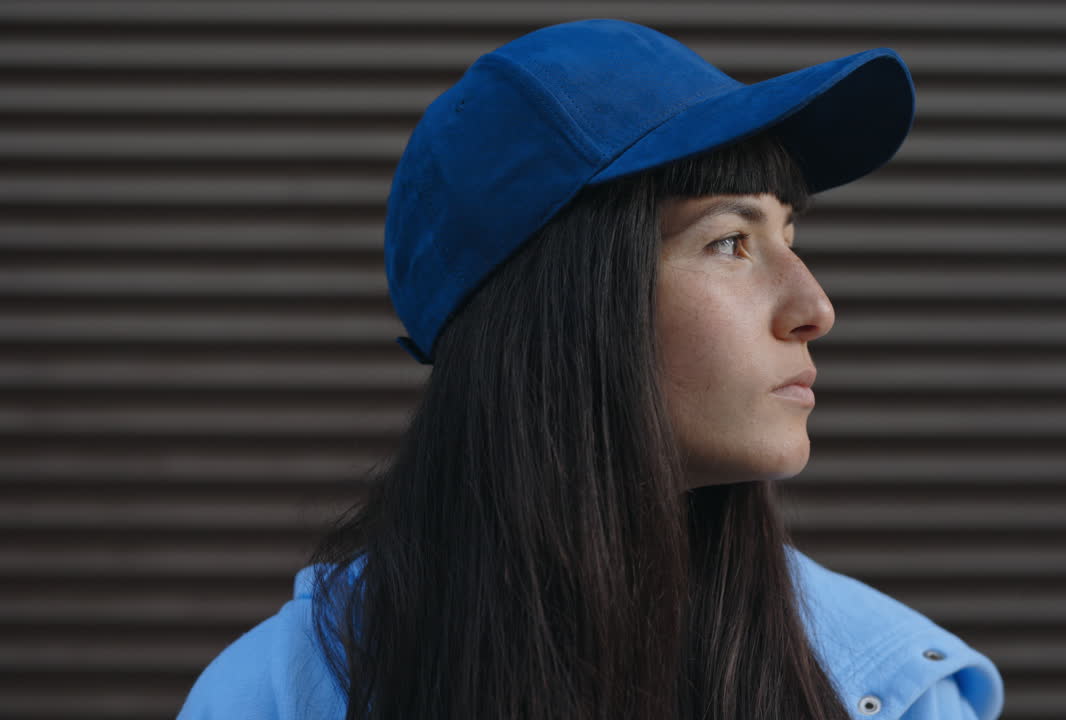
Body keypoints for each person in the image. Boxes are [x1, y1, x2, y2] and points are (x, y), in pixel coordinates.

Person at [177, 18, 1004, 720]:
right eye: (729, 241)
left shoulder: (897, 690)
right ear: (559, 310)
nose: (814, 307)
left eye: (790, 235)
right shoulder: (273, 698)